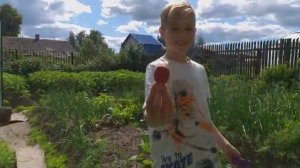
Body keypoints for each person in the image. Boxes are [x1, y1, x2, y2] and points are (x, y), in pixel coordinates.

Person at [143, 1, 242, 167]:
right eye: (175, 29)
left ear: (194, 32)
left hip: (205, 158)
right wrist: (153, 117)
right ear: (162, 32)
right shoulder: (156, 68)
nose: (182, 35)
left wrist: (225, 145)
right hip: (173, 161)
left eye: (188, 29)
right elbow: (151, 114)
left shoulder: (199, 70)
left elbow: (203, 117)